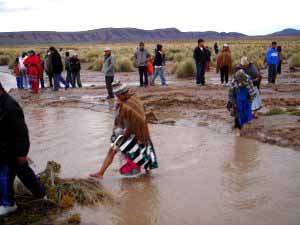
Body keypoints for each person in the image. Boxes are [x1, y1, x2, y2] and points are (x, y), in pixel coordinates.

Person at [90, 84, 158, 179]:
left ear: (124, 93)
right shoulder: (130, 99)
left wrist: (124, 135)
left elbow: (135, 121)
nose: (117, 98)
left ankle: (101, 173)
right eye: (116, 95)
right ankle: (148, 175)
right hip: (136, 132)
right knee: (142, 151)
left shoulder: (128, 105)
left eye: (118, 95)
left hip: (132, 133)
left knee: (115, 151)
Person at [0, 82, 46, 216]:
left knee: (4, 176)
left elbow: (22, 133)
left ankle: (9, 204)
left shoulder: (10, 107)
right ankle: (41, 194)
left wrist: (21, 154)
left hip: (10, 151)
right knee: (24, 172)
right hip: (3, 148)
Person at [227, 70, 255, 137]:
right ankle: (238, 131)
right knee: (237, 114)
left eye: (241, 80)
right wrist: (234, 103)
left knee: (244, 114)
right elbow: (230, 94)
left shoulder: (248, 79)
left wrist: (250, 101)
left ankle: (240, 125)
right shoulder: (233, 81)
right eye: (239, 80)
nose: (240, 82)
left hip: (246, 100)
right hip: (237, 99)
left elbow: (252, 92)